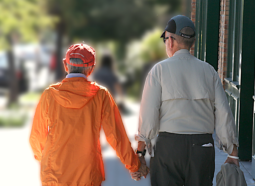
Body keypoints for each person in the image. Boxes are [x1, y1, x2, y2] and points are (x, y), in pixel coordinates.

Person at [132, 15, 239, 185]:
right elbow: (224, 113)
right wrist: (232, 152)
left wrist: (140, 154)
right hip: (202, 147)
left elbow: (148, 115)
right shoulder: (209, 71)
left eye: (165, 39)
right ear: (192, 43)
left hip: (169, 147)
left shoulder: (159, 70)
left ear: (171, 41)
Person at [29, 43, 149, 186]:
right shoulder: (101, 95)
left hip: (54, 174)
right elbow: (116, 137)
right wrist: (134, 165)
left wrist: (46, 160)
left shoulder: (49, 95)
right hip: (88, 174)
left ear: (65, 65)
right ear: (91, 69)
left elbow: (36, 137)